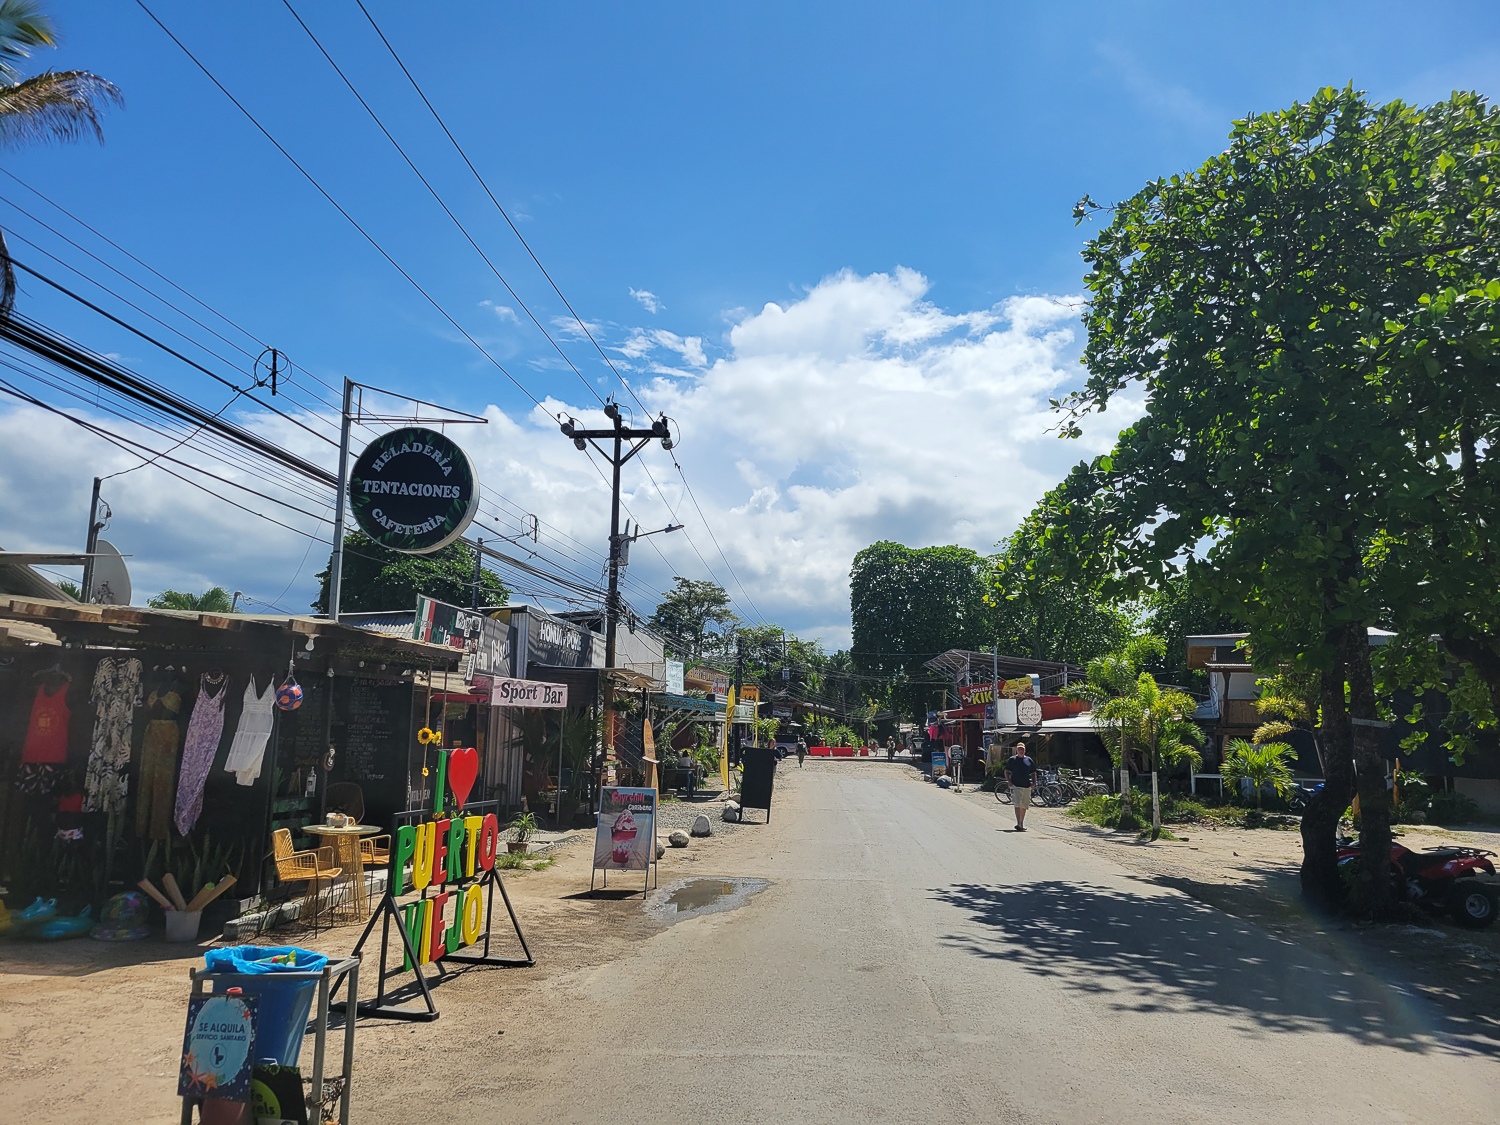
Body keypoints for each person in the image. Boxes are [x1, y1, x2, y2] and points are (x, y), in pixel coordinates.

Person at [1004, 741, 1036, 831]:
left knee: (1024, 805)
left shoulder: (1029, 760)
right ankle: (1019, 823)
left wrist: (1034, 782)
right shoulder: (1012, 760)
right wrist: (1009, 781)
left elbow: (1033, 772)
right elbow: (1006, 771)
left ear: (1025, 750)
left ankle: (1021, 822)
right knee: (1017, 803)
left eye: (1022, 749)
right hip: (1015, 785)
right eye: (1019, 749)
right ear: (1016, 750)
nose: (1021, 751)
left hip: (1026, 785)